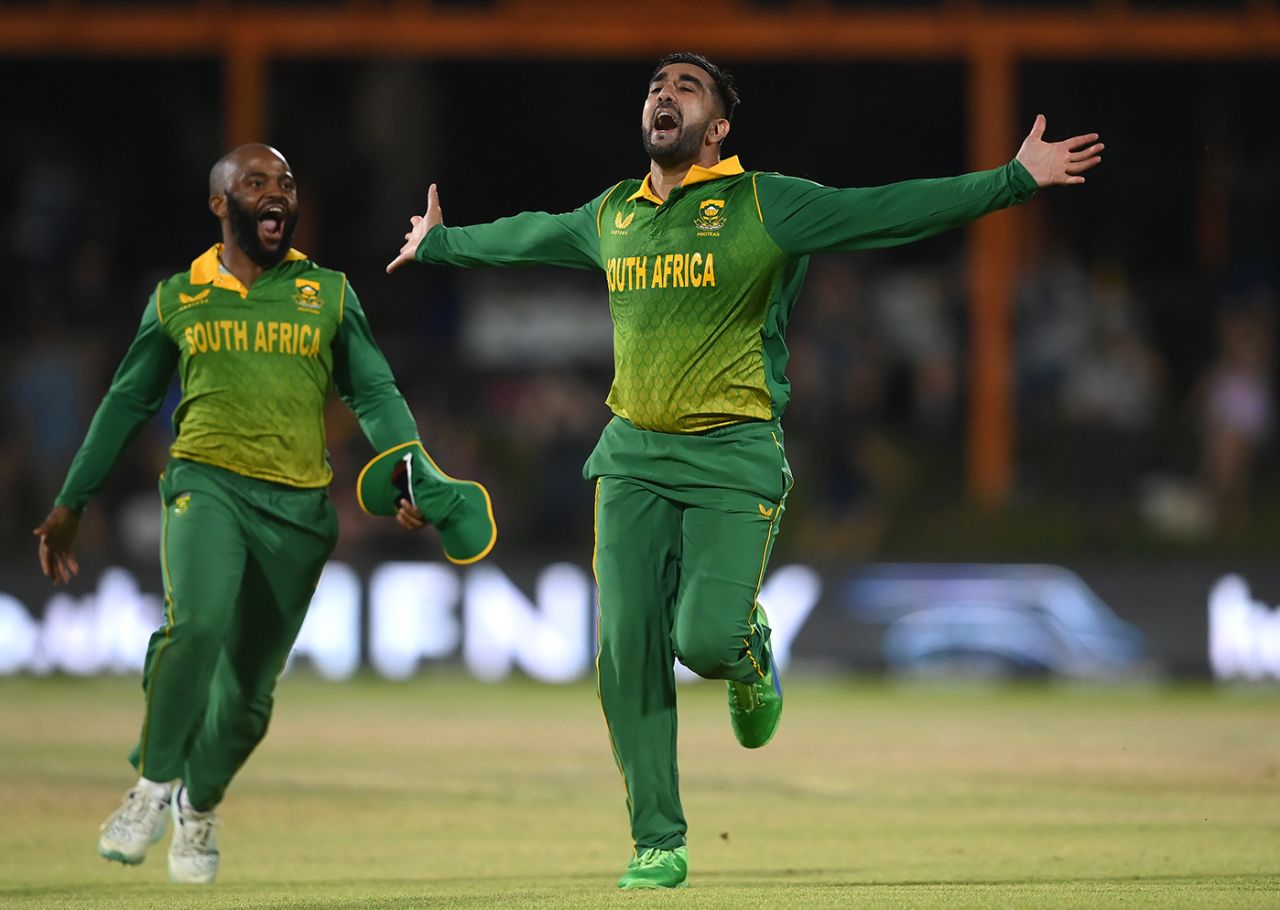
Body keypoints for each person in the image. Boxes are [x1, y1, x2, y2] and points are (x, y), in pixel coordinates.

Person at [386, 51, 1103, 890]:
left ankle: (749, 652)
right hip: (632, 460)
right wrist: (441, 246)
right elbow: (532, 234)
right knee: (626, 650)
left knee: (703, 639)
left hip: (734, 454)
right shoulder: (614, 212)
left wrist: (1012, 181)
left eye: (686, 88)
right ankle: (658, 841)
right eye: (656, 86)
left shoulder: (765, 203)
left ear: (718, 127)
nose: (664, 95)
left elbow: (887, 211)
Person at [34, 144, 496, 885]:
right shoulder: (176, 297)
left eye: (284, 183)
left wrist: (413, 473)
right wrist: (70, 501)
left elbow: (373, 395)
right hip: (204, 487)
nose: (276, 194)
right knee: (198, 626)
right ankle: (151, 787)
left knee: (248, 699)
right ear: (220, 203)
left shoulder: (330, 294)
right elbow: (127, 402)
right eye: (255, 183)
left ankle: (199, 808)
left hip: (299, 514)